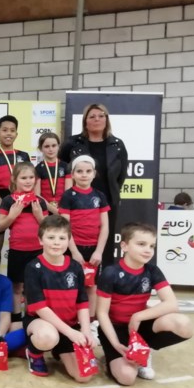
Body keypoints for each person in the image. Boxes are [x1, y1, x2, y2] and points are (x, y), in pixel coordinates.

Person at [97, 223, 193, 385]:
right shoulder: (110, 273)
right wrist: (115, 343)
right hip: (116, 329)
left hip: (139, 326)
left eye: (152, 246)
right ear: (124, 246)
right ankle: (111, 358)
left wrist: (138, 316)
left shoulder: (152, 271)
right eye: (141, 244)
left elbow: (172, 304)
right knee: (127, 378)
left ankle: (144, 350)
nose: (148, 250)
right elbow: (101, 313)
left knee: (183, 324)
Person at [22, 215, 94, 382]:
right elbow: (40, 308)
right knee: (48, 337)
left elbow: (82, 301)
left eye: (62, 238)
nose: (56, 242)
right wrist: (70, 333)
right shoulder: (33, 268)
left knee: (84, 377)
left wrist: (85, 329)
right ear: (40, 240)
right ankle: (34, 352)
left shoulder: (75, 267)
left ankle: (58, 350)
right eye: (51, 237)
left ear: (68, 241)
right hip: (40, 323)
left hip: (69, 325)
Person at [59, 103, 128, 269]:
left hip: (106, 202)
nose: (97, 119)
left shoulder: (118, 145)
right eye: (92, 116)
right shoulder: (72, 143)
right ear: (85, 122)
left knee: (106, 243)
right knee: (71, 239)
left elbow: (121, 176)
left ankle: (103, 285)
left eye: (101, 115)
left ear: (106, 120)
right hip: (76, 202)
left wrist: (109, 194)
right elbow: (61, 169)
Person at [58, 155, 109, 326]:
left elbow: (105, 227)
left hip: (93, 250)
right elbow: (65, 227)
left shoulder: (99, 196)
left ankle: (92, 323)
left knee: (91, 287)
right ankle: (71, 322)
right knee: (71, 286)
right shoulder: (68, 196)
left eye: (88, 171)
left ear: (94, 174)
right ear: (72, 174)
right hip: (73, 249)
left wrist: (99, 251)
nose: (84, 175)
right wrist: (74, 251)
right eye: (79, 171)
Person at [0, 162, 48, 320]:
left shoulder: (39, 201)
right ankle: (17, 318)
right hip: (17, 250)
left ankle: (34, 317)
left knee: (36, 287)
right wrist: (12, 215)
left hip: (38, 251)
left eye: (31, 177)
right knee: (16, 286)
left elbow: (48, 229)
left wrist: (39, 216)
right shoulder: (8, 201)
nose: (28, 181)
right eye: (23, 177)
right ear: (14, 179)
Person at [0, 115, 30, 269]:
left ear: (17, 134)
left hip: (22, 199)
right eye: (4, 130)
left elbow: (31, 178)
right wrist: (0, 202)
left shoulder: (23, 155)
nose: (8, 133)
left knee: (23, 237)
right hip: (0, 199)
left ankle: (22, 279)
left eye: (12, 130)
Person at [34, 132, 72, 215]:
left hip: (63, 209)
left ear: (59, 146)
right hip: (45, 209)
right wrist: (52, 209)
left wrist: (61, 209)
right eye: (47, 146)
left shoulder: (66, 166)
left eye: (54, 145)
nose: (51, 149)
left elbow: (68, 191)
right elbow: (37, 194)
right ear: (41, 148)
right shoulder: (38, 169)